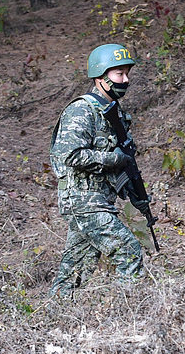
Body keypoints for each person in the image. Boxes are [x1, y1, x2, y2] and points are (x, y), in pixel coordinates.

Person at [50, 44, 146, 296]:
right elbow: (69, 154)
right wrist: (114, 159)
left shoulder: (113, 111)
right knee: (129, 252)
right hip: (83, 201)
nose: (125, 80)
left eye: (127, 74)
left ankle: (54, 312)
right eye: (119, 74)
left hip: (98, 200)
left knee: (76, 268)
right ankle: (128, 314)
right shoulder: (82, 109)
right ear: (100, 76)